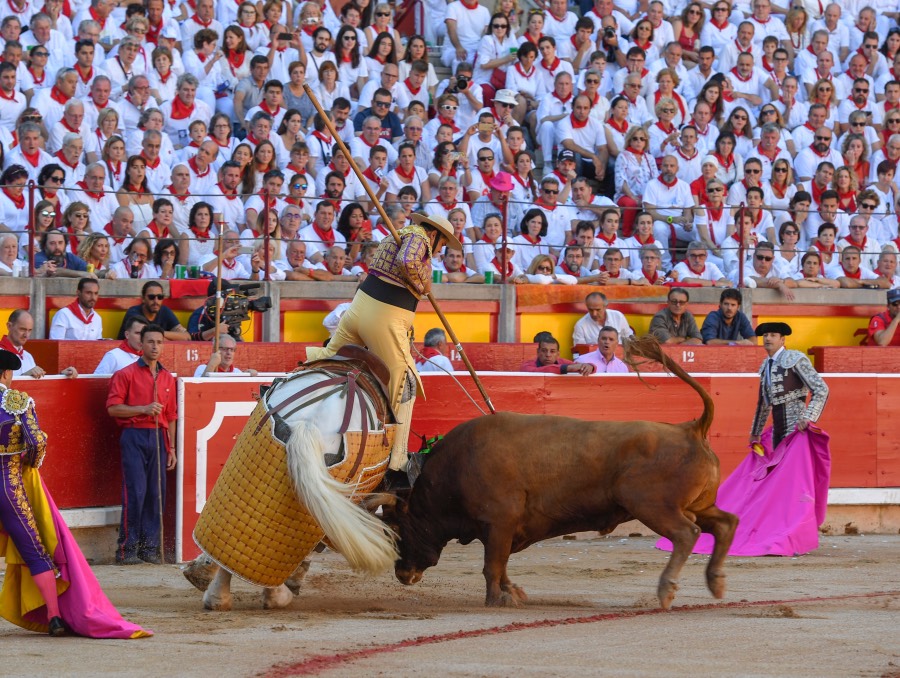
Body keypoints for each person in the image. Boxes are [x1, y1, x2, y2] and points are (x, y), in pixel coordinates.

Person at [0, 348, 152, 639]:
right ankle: (54, 617)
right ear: (7, 373)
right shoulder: (17, 402)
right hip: (9, 485)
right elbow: (36, 443)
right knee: (35, 551)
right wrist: (29, 463)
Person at [304, 213, 462, 475]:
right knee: (406, 381)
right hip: (383, 318)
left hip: (359, 310)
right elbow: (407, 260)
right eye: (442, 244)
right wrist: (424, 283)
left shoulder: (399, 234)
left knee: (330, 355)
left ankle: (290, 383)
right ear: (434, 234)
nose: (440, 250)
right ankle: (398, 461)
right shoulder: (420, 237)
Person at [106, 324, 177, 565]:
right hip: (134, 435)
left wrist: (172, 448)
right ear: (142, 344)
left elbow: (171, 416)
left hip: (159, 437)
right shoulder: (125, 374)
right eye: (151, 342)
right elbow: (113, 408)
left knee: (156, 494)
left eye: (159, 342)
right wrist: (143, 409)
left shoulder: (167, 378)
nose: (155, 346)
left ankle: (149, 549)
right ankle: (126, 550)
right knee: (136, 492)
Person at [0, 310, 77, 379]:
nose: (26, 335)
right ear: (9, 326)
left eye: (29, 330)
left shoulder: (28, 356)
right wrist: (25, 376)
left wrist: (61, 376)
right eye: (22, 329)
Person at [117, 281, 191, 341]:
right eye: (151, 297)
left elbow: (187, 337)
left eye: (160, 297)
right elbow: (144, 340)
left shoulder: (165, 311)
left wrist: (160, 332)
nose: (156, 301)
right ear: (143, 298)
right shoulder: (133, 313)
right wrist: (164, 338)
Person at [519, 335, 594, 375]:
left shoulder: (563, 362)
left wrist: (591, 366)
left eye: (552, 351)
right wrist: (565, 368)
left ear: (558, 354)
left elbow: (580, 366)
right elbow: (537, 371)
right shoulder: (527, 365)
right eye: (544, 351)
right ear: (538, 352)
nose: (548, 355)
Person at [193, 334, 258, 376]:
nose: (229, 353)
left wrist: (250, 376)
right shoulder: (202, 368)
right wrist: (212, 365)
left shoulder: (237, 372)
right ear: (215, 350)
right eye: (225, 349)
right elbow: (199, 388)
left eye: (232, 349)